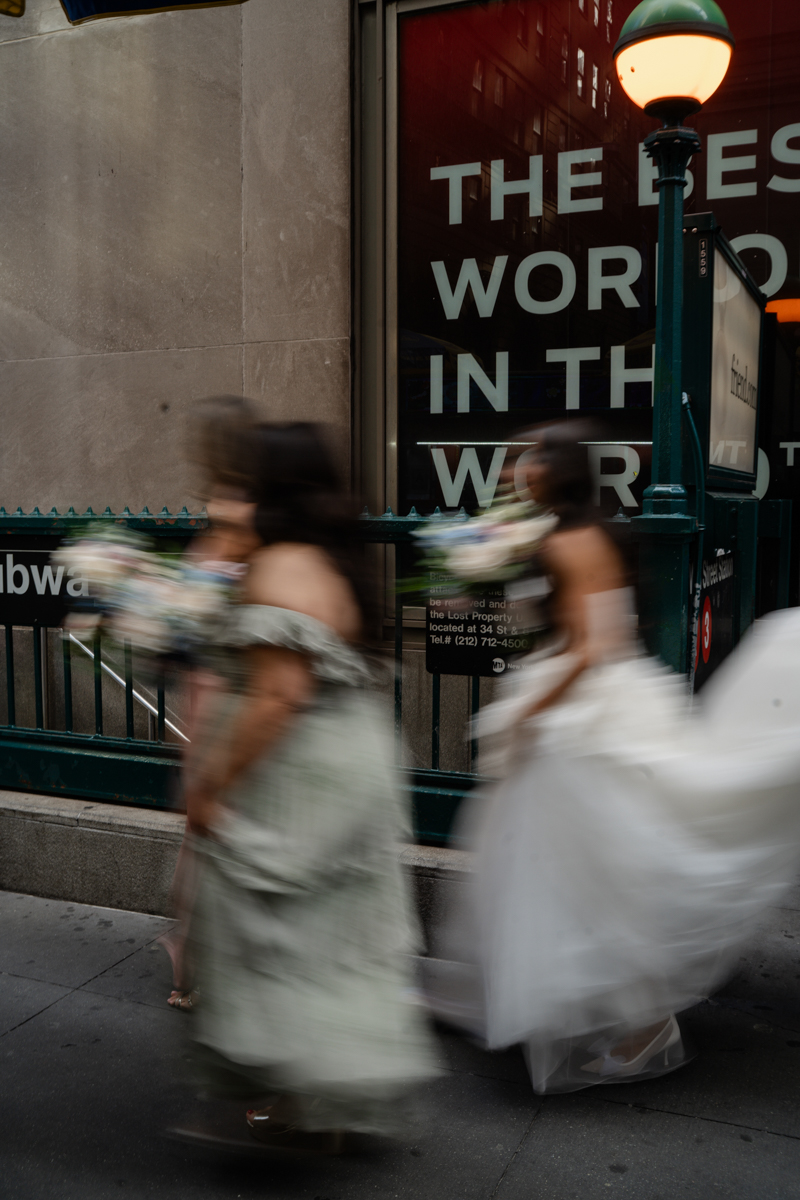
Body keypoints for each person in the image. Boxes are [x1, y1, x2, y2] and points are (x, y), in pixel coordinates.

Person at [430, 420, 800, 1094]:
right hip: (586, 699)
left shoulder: (573, 541)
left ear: (559, 470)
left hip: (586, 719)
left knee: (598, 881)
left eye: (529, 459)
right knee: (563, 874)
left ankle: (645, 1024)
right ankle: (539, 996)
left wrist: (537, 711)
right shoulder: (565, 532)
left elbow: (598, 642)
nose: (516, 471)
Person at [180, 421, 435, 1148]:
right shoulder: (328, 557)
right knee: (327, 932)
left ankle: (295, 1102)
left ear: (270, 485)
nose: (227, 494)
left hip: (304, 770)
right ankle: (314, 1103)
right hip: (351, 758)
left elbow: (277, 697)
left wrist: (212, 789)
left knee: (274, 926)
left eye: (242, 480)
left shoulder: (281, 564)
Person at [162, 395, 260, 1011]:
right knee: (222, 824)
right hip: (225, 685)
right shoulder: (248, 508)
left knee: (210, 827)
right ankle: (201, 953)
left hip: (218, 687)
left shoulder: (228, 516)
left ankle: (192, 954)